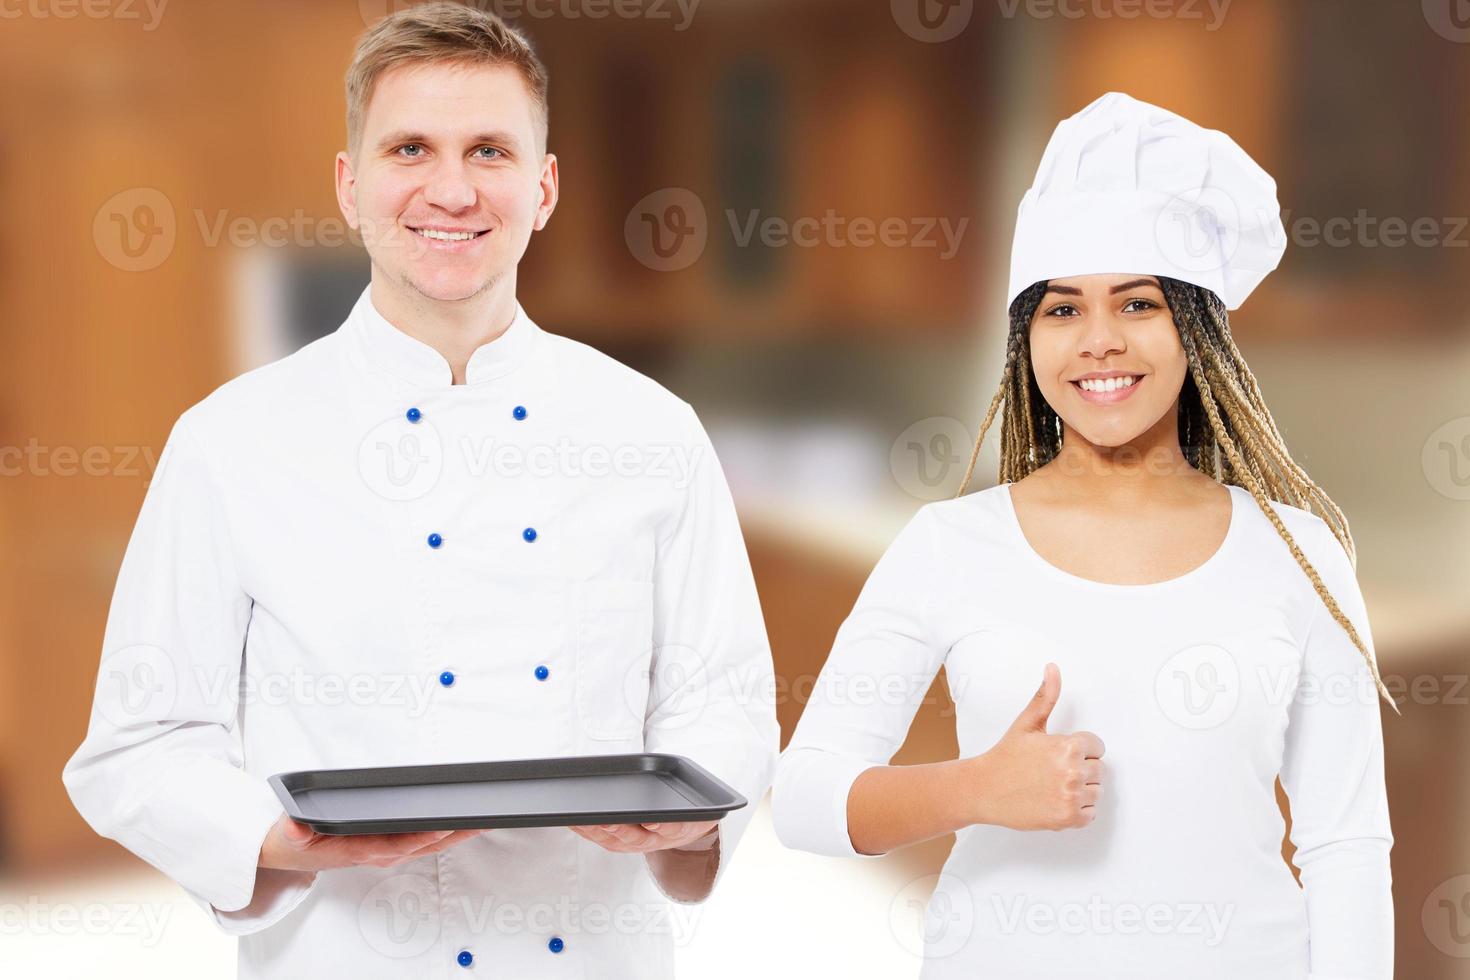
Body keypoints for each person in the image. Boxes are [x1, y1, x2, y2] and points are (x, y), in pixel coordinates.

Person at [62, 4, 778, 977]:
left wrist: (680, 827)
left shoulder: (651, 431)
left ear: (545, 186)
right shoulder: (230, 440)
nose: (452, 188)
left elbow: (723, 700)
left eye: (490, 149)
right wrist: (280, 837)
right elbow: (136, 745)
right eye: (410, 148)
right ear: (351, 187)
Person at [771, 91, 1393, 979]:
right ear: (1027, 337)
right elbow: (801, 798)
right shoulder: (949, 546)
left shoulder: (1296, 555)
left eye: (1137, 303)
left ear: (1197, 327)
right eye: (1061, 310)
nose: (1098, 341)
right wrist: (977, 787)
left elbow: (1347, 847)